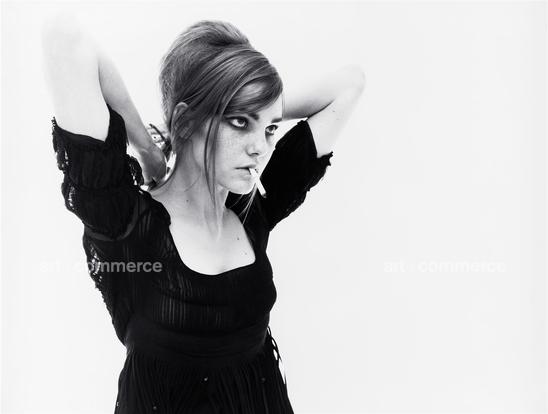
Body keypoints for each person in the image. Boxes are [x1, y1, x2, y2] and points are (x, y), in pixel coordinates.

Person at [42, 15, 365, 414]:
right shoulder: (126, 222)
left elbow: (350, 84)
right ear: (184, 121)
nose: (260, 148)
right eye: (240, 122)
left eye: (269, 129)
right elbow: (65, 40)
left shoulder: (254, 208)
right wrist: (147, 149)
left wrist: (256, 105)